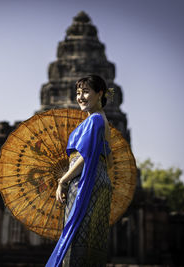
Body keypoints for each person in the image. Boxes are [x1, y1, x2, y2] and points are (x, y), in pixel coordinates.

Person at [46, 74, 113, 266]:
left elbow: (86, 157)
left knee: (75, 240)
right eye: (78, 93)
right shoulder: (102, 121)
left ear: (99, 93)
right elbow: (109, 163)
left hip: (85, 182)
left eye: (85, 91)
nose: (80, 97)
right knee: (90, 242)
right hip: (100, 182)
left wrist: (63, 180)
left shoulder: (94, 121)